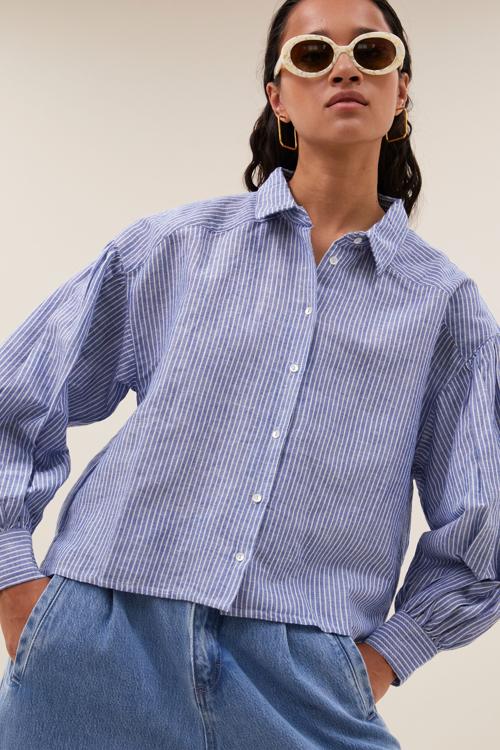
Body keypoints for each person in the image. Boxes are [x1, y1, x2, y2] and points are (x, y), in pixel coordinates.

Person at [0, 0, 498, 747]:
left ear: (401, 92)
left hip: (302, 677)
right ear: (278, 98)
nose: (344, 68)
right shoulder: (175, 248)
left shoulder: (444, 304)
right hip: (102, 641)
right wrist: (15, 581)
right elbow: (16, 400)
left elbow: (482, 516)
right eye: (313, 54)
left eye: (370, 51)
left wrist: (387, 658)